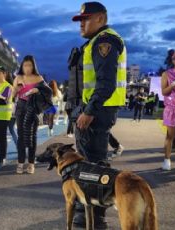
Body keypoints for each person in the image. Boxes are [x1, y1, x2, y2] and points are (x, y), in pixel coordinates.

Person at [71, 2, 127, 228]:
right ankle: (87, 212)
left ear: (101, 19)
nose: (81, 24)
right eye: (80, 20)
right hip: (94, 111)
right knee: (90, 165)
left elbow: (105, 83)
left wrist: (89, 111)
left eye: (86, 18)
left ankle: (95, 218)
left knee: (94, 166)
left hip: (97, 112)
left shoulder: (105, 41)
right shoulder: (95, 42)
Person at [13, 55, 46, 174]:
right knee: (21, 135)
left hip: (33, 107)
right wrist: (17, 88)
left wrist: (38, 90)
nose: (27, 68)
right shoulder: (18, 77)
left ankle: (31, 163)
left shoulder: (39, 78)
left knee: (33, 135)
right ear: (22, 66)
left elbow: (47, 92)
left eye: (30, 65)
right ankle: (20, 161)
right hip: (21, 107)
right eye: (25, 65)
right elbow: (12, 96)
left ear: (33, 66)